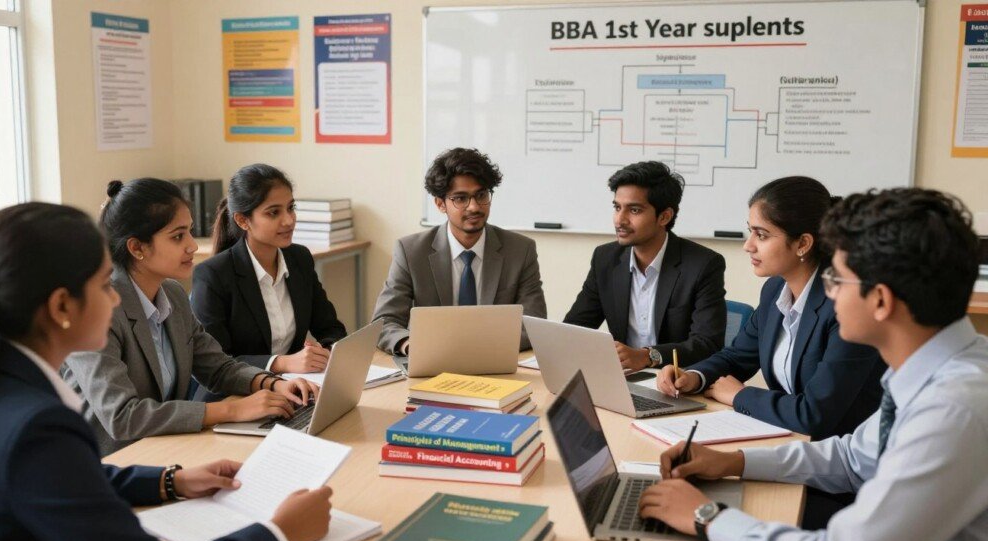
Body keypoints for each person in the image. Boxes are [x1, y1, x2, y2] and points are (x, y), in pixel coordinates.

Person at [0, 202, 334, 541]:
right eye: (105, 284)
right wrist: (280, 533)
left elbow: (70, 479)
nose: (114, 299)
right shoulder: (36, 424)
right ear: (61, 306)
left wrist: (169, 481)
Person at [638, 188, 988, 541]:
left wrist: (707, 517)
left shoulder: (953, 410)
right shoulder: (932, 370)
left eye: (837, 278)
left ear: (881, 301)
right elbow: (854, 459)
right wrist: (735, 461)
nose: (830, 289)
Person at [62, 179, 317, 455]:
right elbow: (123, 417)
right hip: (108, 463)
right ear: (137, 248)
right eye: (178, 236)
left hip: (163, 448)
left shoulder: (172, 294)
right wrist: (229, 409)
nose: (193, 246)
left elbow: (217, 367)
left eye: (191, 232)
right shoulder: (96, 311)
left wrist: (273, 383)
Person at [656, 177, 885, 441]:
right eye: (750, 231)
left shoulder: (845, 308)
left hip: (842, 458)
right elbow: (738, 356)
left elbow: (815, 415)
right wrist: (694, 376)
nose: (748, 245)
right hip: (791, 439)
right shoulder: (775, 289)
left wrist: (740, 395)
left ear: (802, 244)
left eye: (761, 235)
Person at [372, 147, 547, 355]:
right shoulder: (411, 252)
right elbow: (384, 322)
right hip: (433, 361)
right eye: (461, 198)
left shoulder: (520, 250)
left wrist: (473, 349)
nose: (474, 207)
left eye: (481, 195)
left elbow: (534, 324)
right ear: (440, 204)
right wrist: (410, 345)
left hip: (496, 361)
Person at [564, 161, 727, 370]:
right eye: (617, 207)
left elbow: (707, 344)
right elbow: (575, 328)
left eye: (634, 210)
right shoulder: (605, 258)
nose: (619, 220)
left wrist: (648, 356)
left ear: (664, 216)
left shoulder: (703, 265)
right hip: (623, 379)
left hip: (677, 382)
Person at [192, 163, 347, 375]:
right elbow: (216, 361)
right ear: (242, 220)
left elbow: (331, 328)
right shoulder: (213, 275)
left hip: (294, 385)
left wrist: (325, 351)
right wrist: (281, 363)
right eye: (273, 213)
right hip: (237, 394)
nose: (289, 220)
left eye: (291, 208)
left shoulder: (299, 258)